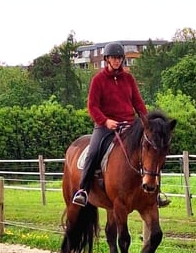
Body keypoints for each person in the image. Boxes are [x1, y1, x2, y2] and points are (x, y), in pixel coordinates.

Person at [72, 41, 170, 208]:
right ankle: (83, 190)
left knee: (151, 151)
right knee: (93, 152)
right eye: (113, 58)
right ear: (107, 59)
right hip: (105, 127)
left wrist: (146, 122)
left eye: (119, 58)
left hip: (129, 125)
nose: (116, 61)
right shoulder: (98, 80)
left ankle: (156, 193)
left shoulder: (128, 79)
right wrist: (105, 121)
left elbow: (138, 103)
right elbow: (92, 107)